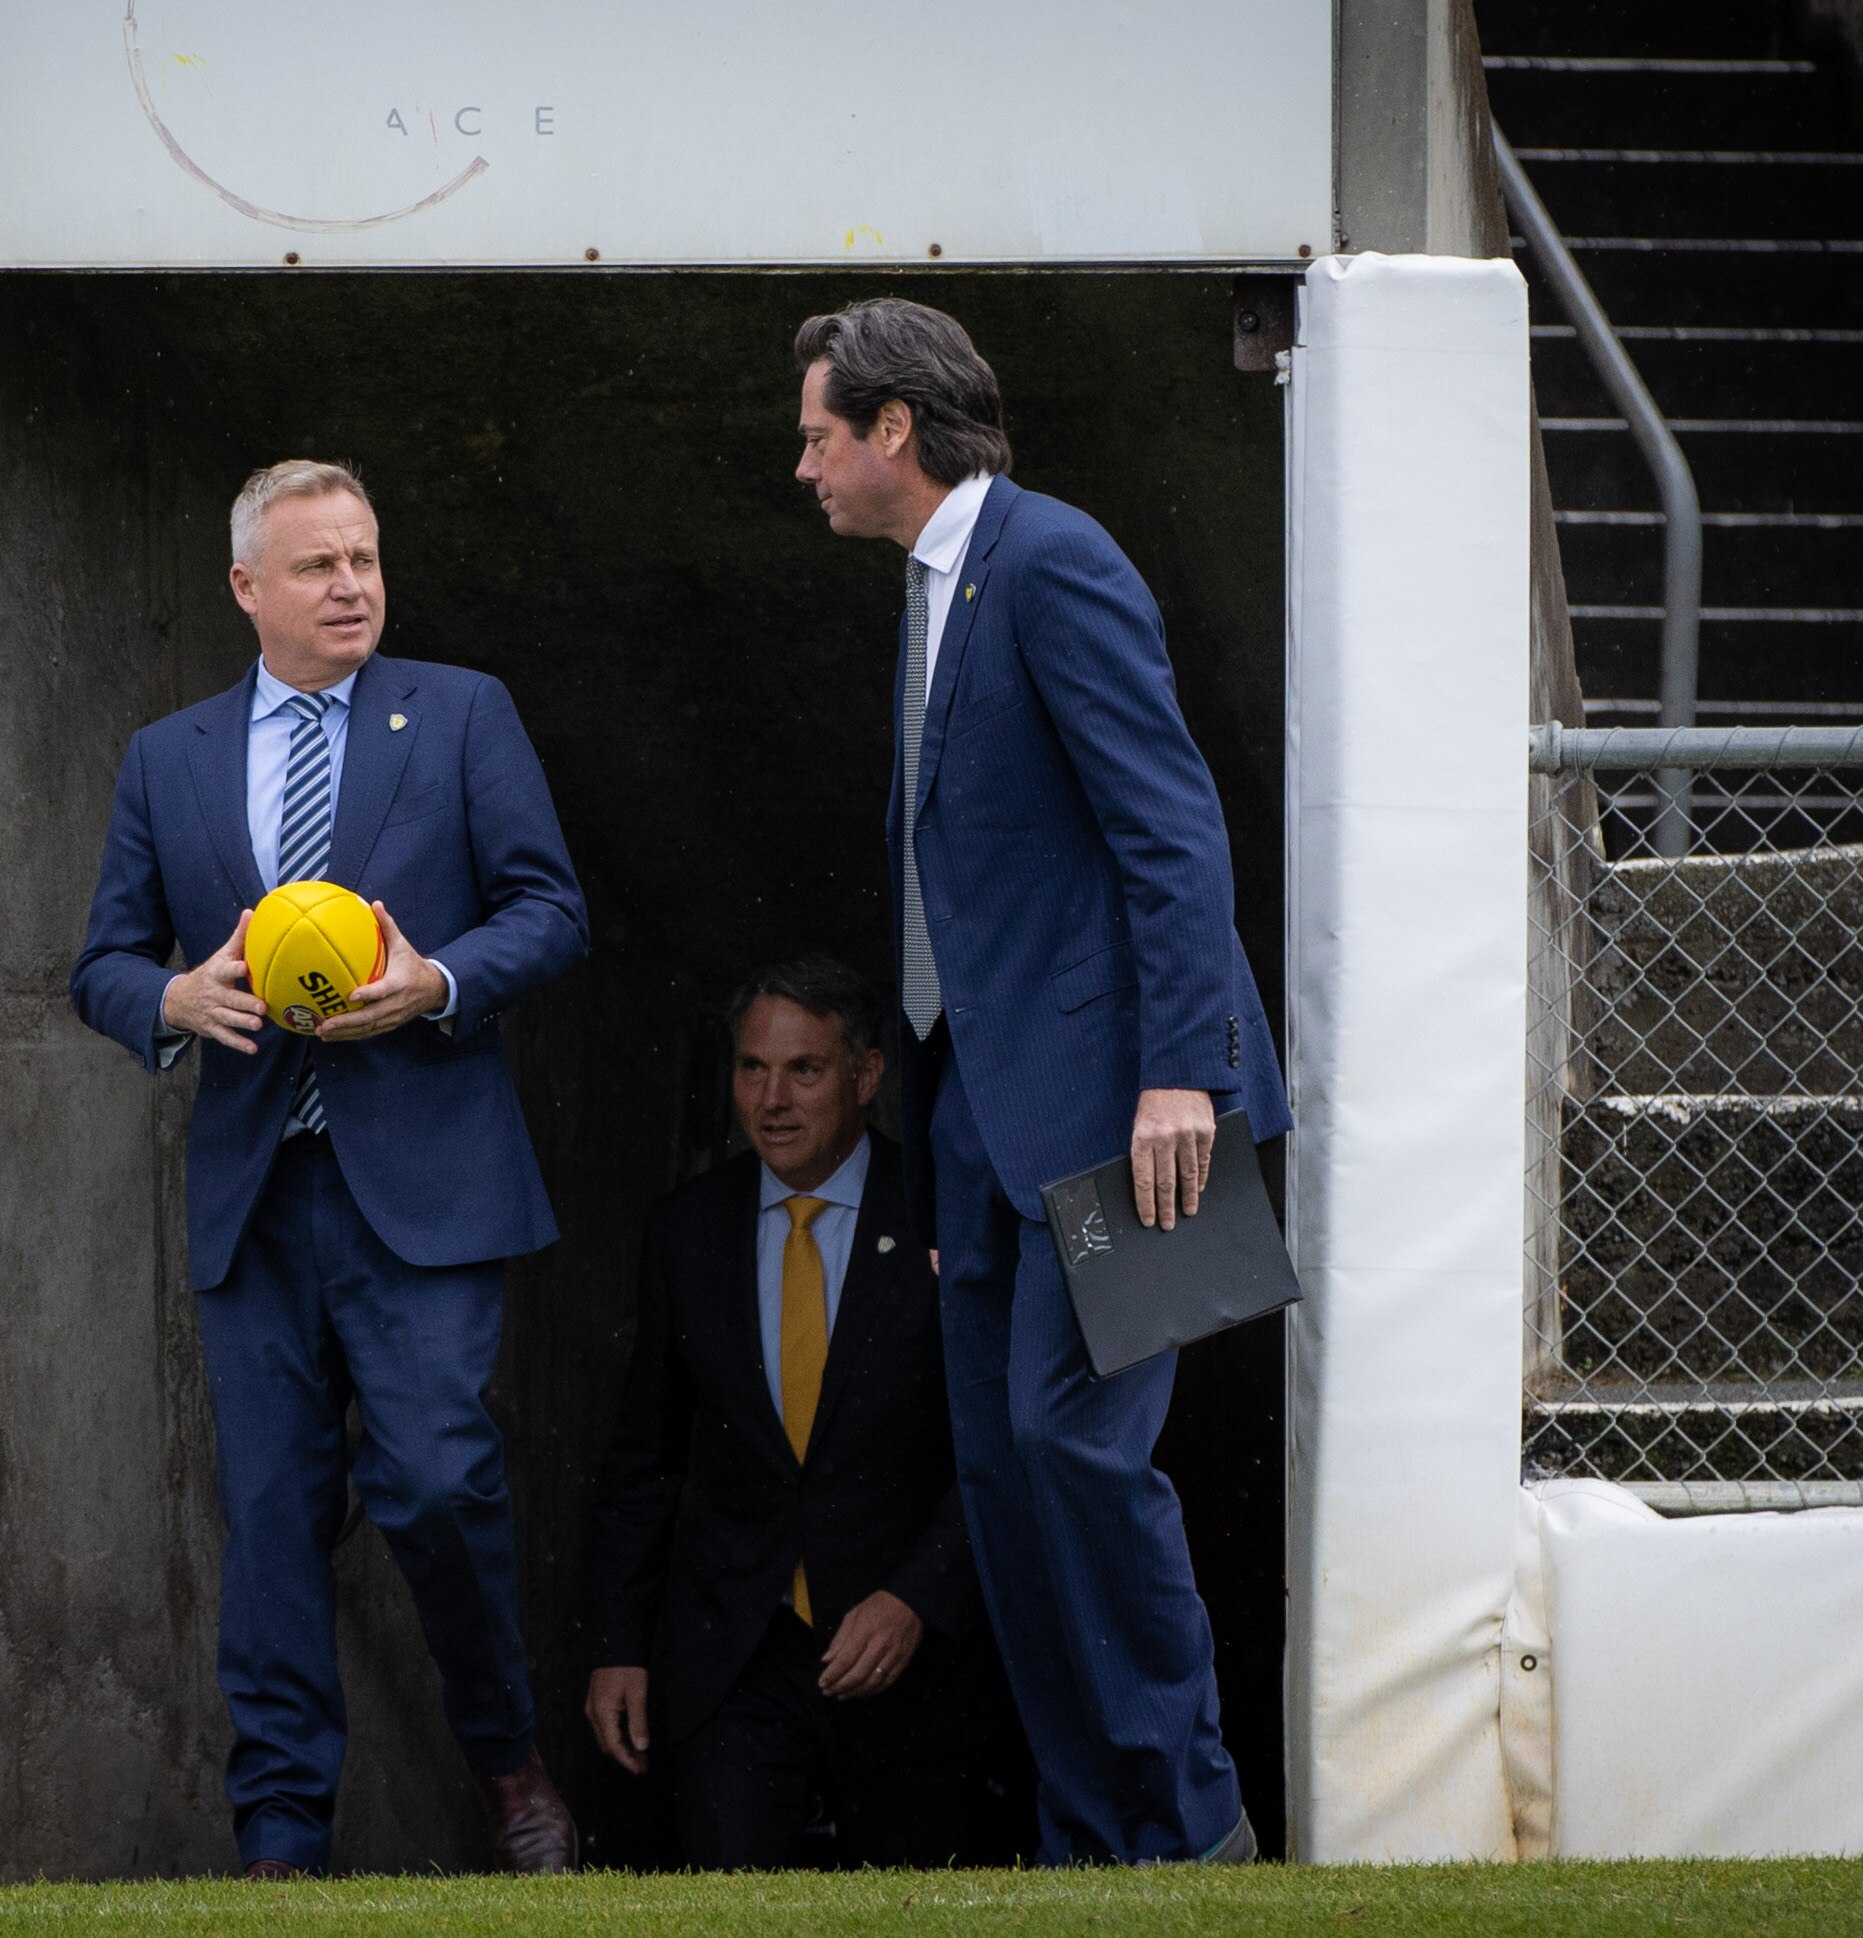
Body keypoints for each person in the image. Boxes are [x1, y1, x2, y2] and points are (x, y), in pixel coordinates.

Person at [788, 298, 1288, 1865]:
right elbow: (963, 914)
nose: (799, 464)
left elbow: (1173, 830)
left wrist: (1179, 1081)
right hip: (994, 1139)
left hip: (1136, 1120)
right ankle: (1094, 1841)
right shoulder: (935, 590)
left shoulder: (1054, 558)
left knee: (1078, 1453)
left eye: (816, 434)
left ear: (891, 430)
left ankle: (1194, 1831)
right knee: (1006, 1479)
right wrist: (941, 1169)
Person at [70, 458, 591, 1878]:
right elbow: (102, 959)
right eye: (319, 565)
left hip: (427, 1189)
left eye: (364, 558)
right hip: (256, 1198)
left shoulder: (463, 712)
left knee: (435, 1479)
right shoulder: (166, 755)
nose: (352, 584)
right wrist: (167, 1000)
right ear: (249, 588)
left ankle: (509, 1764)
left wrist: (439, 979)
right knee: (273, 1522)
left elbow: (553, 908)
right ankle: (283, 1835)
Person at [582, 957, 1006, 1870]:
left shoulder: (945, 1218)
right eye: (750, 1069)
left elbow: (999, 1442)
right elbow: (644, 1459)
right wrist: (617, 1648)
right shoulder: (688, 1232)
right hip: (736, 1650)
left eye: (803, 1070)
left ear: (866, 1076)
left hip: (909, 1656)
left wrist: (916, 1598)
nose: (771, 1100)